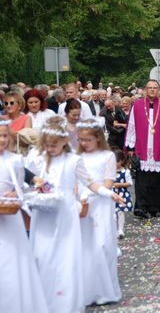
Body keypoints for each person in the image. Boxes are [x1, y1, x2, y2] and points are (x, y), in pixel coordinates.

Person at [27, 116, 124, 312]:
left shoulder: (73, 160)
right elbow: (36, 181)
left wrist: (109, 192)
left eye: (54, 144)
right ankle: (45, 298)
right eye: (47, 145)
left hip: (66, 212)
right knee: (43, 254)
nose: (50, 148)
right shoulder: (41, 161)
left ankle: (66, 301)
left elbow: (90, 183)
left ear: (64, 141)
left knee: (66, 256)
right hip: (45, 213)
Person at [0, 119, 48, 312]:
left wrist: (16, 194)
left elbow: (20, 187)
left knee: (11, 260)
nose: (2, 139)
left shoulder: (15, 160)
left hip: (9, 217)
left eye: (4, 135)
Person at [77, 117, 122, 305]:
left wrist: (96, 192)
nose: (84, 143)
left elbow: (108, 182)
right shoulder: (77, 157)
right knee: (86, 247)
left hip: (101, 203)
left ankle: (105, 290)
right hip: (82, 204)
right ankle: (88, 291)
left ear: (97, 138)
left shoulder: (107, 156)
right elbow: (76, 180)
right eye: (81, 139)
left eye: (88, 139)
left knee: (102, 244)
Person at [125, 80, 160, 218]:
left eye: (155, 88)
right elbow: (132, 126)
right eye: (149, 88)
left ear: (158, 90)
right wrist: (131, 147)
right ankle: (141, 207)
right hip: (142, 147)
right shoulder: (138, 105)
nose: (152, 90)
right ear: (145, 89)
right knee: (142, 180)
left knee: (158, 180)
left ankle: (155, 207)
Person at [113, 150, 133, 239]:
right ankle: (113, 229)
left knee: (120, 212)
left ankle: (120, 230)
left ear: (121, 161)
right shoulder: (109, 171)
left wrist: (120, 184)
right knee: (112, 213)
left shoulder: (125, 172)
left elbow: (130, 183)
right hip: (112, 195)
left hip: (121, 194)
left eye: (117, 162)